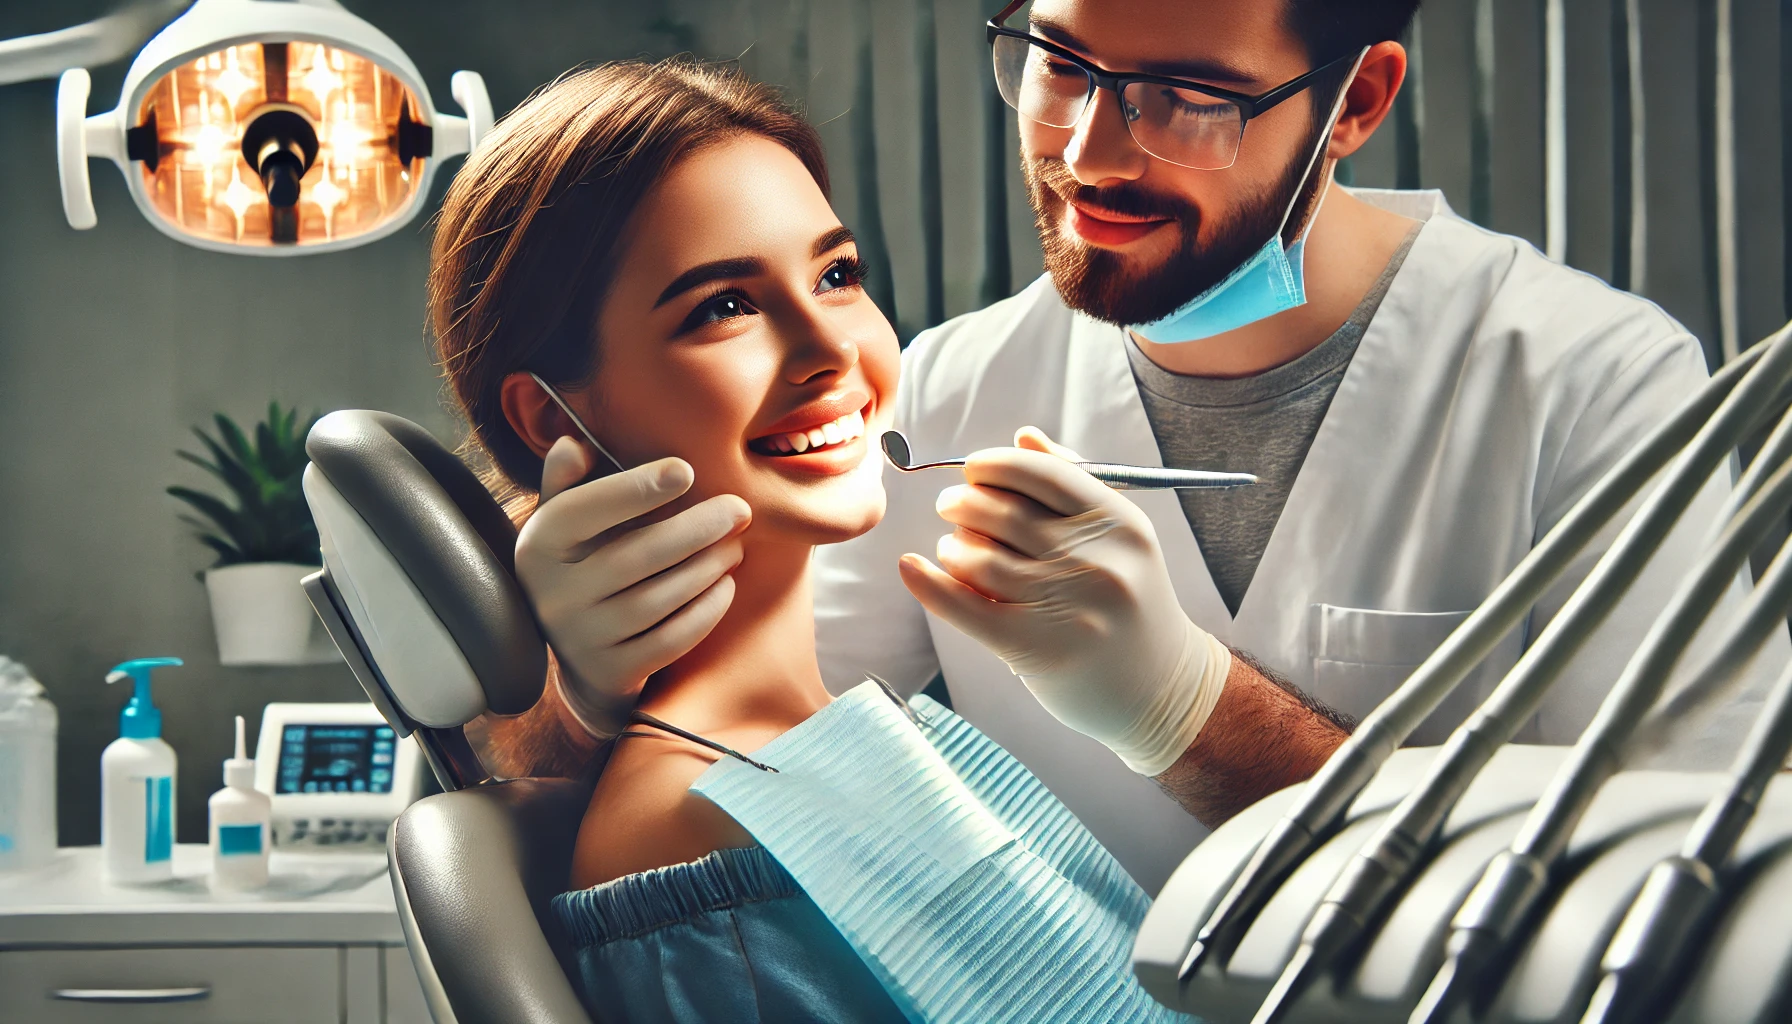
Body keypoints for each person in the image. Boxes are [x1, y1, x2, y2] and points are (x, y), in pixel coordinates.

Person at [813, 0, 1786, 894]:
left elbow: (1679, 889)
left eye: (1187, 97)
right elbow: (785, 759)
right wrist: (661, 673)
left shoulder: (1591, 383)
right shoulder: (943, 388)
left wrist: (1188, 710)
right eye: (1060, 63)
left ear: (1354, 103)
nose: (1092, 153)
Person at [429, 60, 1179, 1024]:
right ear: (548, 419)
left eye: (837, 275)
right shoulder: (697, 827)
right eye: (723, 307)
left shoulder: (871, 725)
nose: (832, 350)